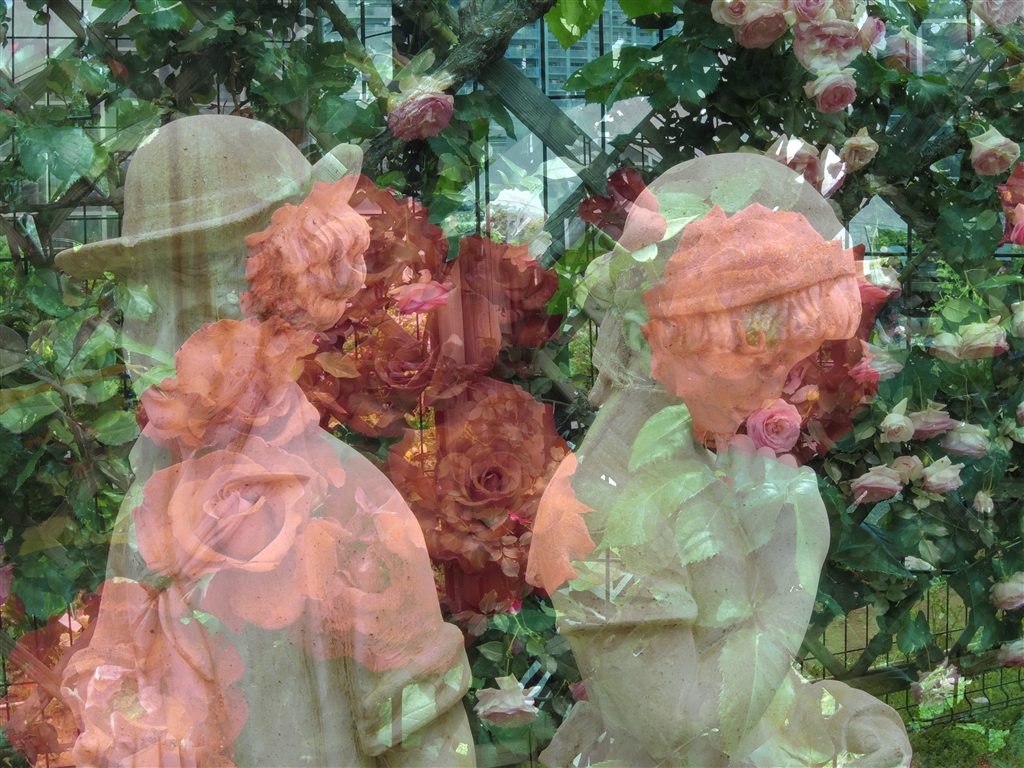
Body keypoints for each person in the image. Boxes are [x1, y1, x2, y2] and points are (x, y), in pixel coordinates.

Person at [35, 115, 476, 767]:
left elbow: (430, 746)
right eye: (143, 307)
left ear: (287, 309)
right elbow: (121, 700)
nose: (159, 348)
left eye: (203, 308)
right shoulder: (151, 500)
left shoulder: (350, 505)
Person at [529, 154, 912, 767]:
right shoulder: (599, 506)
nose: (777, 390)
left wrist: (835, 718)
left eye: (788, 364)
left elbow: (754, 682)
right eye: (764, 361)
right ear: (675, 338)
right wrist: (791, 575)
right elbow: (685, 735)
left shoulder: (693, 464)